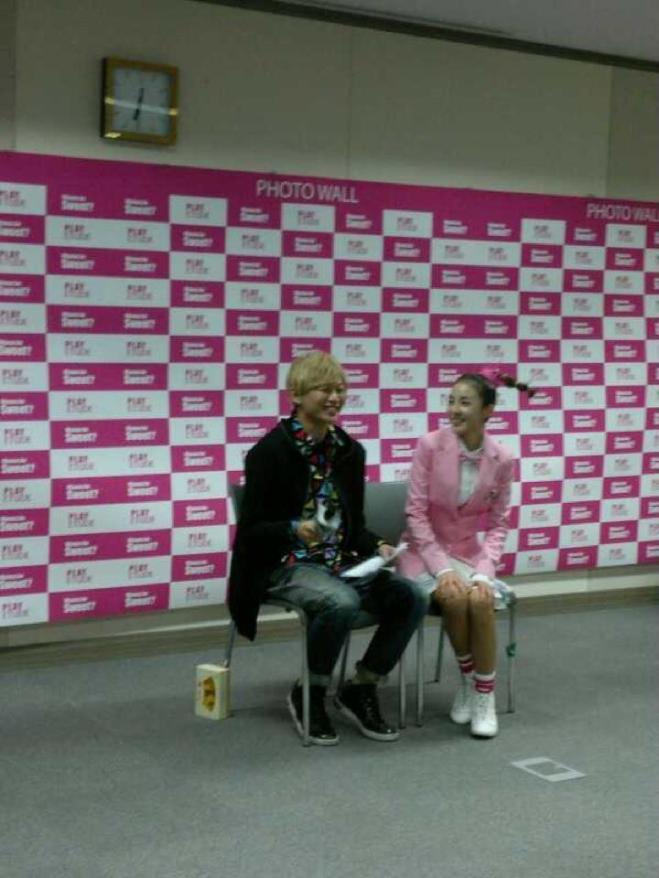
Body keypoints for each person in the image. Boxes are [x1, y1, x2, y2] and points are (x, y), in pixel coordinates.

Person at [228, 350, 428, 746]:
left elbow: (354, 527)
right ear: (296, 395)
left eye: (340, 389)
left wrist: (379, 545)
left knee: (412, 596)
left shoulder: (348, 451)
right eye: (324, 389)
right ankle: (311, 691)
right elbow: (251, 532)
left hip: (340, 563)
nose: (335, 397)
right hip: (282, 563)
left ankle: (362, 686)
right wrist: (293, 528)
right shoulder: (269, 452)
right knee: (340, 602)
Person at [398, 371, 531, 738]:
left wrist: (484, 572)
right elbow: (415, 514)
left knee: (480, 599)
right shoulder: (429, 445)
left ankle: (483, 695)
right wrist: (442, 571)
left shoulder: (502, 458)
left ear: (487, 411)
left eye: (465, 402)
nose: (454, 409)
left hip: (468, 553)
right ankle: (469, 681)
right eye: (451, 400)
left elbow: (499, 524)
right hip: (421, 553)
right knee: (454, 597)